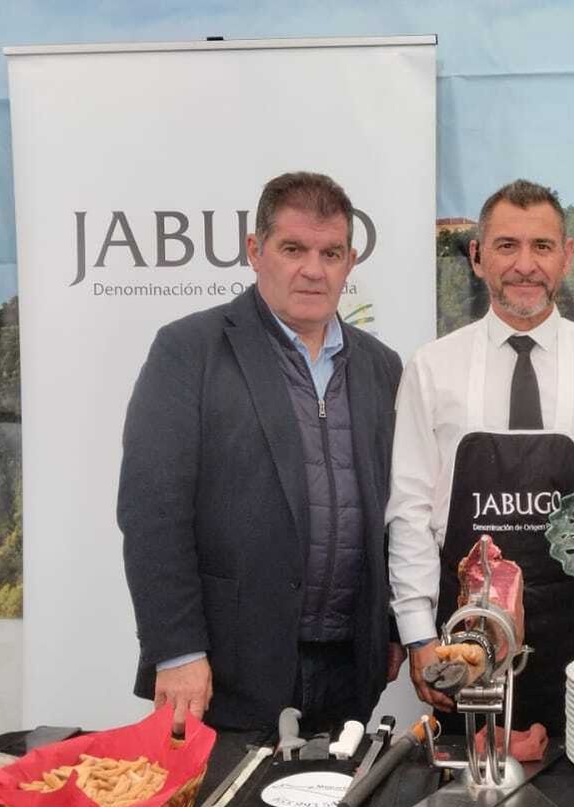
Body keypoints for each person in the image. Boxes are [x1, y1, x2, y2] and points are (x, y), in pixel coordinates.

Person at [118, 171, 405, 741]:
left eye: (331, 252)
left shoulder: (382, 367)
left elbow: (399, 511)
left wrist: (392, 626)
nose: (313, 269)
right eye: (293, 248)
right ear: (256, 251)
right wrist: (175, 650)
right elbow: (153, 511)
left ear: (350, 261)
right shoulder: (189, 351)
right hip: (226, 675)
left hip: (351, 671)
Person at [387, 179, 574, 737]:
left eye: (542, 247)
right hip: (466, 642)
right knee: (471, 801)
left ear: (566, 257)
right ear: (477, 257)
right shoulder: (431, 368)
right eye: (506, 246)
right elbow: (409, 510)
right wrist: (420, 634)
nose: (526, 265)